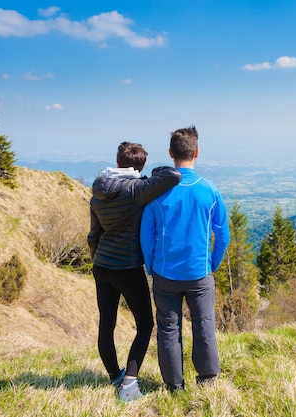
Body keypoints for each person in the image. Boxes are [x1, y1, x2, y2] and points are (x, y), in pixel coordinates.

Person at [87, 141, 181, 402]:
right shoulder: (136, 189)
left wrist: (99, 260)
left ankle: (114, 375)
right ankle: (129, 383)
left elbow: (94, 234)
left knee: (107, 324)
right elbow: (172, 175)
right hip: (126, 267)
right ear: (138, 167)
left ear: (117, 162)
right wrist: (146, 175)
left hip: (101, 266)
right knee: (145, 325)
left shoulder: (98, 189)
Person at [140, 125, 230, 391]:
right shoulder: (209, 190)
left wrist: (150, 265)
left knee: (168, 330)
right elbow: (222, 236)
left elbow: (147, 235)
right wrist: (211, 264)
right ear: (197, 152)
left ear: (171, 153)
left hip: (165, 274)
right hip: (199, 273)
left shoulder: (158, 191)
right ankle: (207, 380)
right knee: (204, 326)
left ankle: (174, 386)